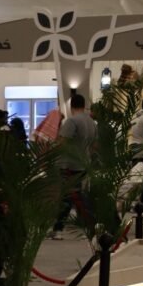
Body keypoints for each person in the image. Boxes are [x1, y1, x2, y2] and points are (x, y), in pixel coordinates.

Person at [52, 93, 97, 239]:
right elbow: (94, 146)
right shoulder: (91, 122)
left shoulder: (71, 121)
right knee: (78, 196)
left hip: (69, 165)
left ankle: (59, 229)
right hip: (84, 164)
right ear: (84, 105)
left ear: (71, 106)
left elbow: (62, 142)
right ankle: (85, 227)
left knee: (67, 197)